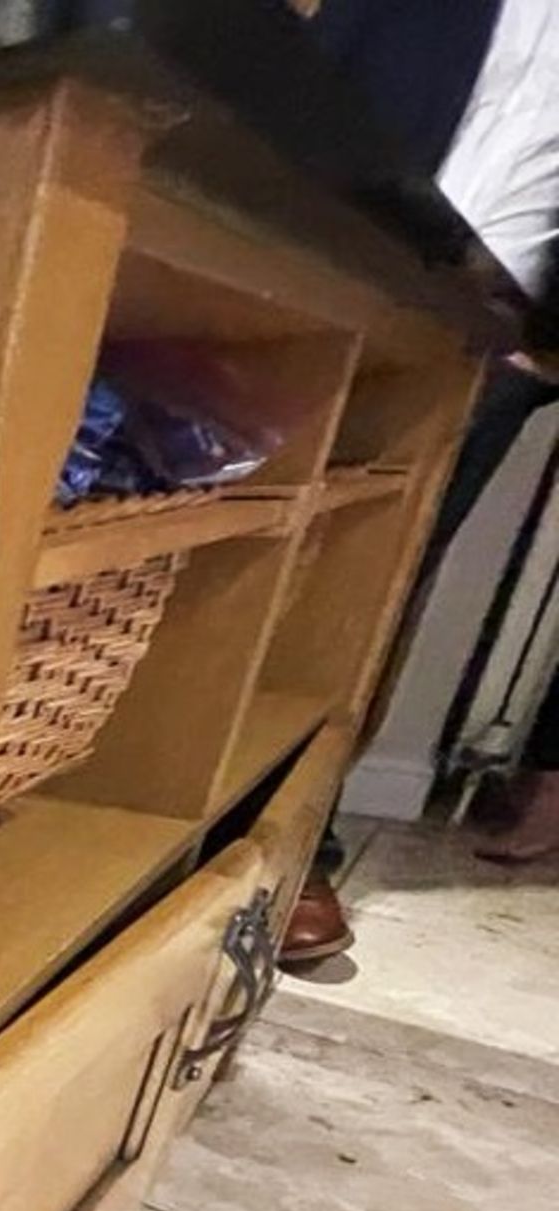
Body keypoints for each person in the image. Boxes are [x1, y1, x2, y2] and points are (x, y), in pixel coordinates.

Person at [280, 0, 559, 963]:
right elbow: (307, 74)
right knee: (208, 535)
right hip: (316, 265)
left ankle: (289, 845)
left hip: (486, 342)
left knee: (375, 592)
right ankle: (114, 803)